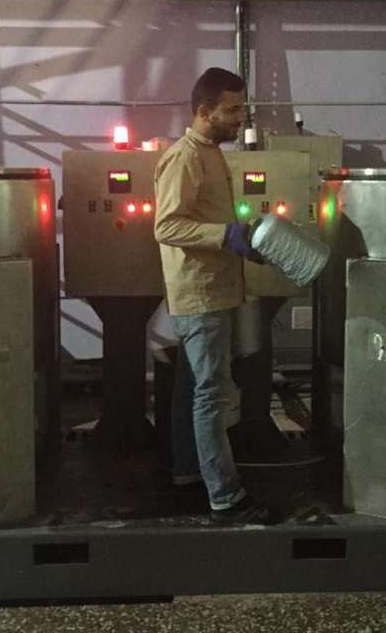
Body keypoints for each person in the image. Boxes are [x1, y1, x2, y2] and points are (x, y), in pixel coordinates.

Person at [153, 67, 271, 526]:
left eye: (242, 108)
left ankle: (188, 472)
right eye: (232, 110)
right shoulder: (184, 158)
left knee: (195, 388)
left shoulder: (211, 154)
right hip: (200, 296)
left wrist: (244, 239)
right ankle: (225, 497)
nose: (240, 118)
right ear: (204, 111)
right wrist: (225, 236)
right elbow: (167, 225)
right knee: (211, 395)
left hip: (215, 290)